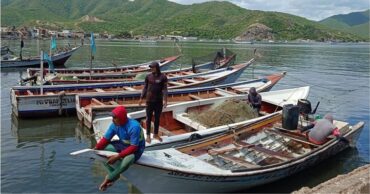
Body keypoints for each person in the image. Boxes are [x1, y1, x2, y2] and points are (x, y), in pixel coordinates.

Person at [94, 106, 145, 191]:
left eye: (115, 118)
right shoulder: (114, 125)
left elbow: (133, 147)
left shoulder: (134, 126)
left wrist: (117, 156)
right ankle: (114, 174)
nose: (112, 120)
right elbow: (105, 139)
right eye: (112, 117)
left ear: (121, 118)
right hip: (123, 144)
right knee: (100, 151)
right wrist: (95, 149)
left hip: (136, 148)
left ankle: (111, 177)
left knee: (129, 159)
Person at [139, 62, 168, 143]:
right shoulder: (148, 77)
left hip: (158, 101)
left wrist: (165, 100)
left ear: (157, 67)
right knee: (148, 118)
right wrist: (141, 98)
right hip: (149, 101)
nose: (151, 69)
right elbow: (145, 88)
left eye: (153, 67)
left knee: (157, 118)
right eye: (151, 67)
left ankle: (155, 134)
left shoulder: (163, 77)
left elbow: (165, 89)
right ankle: (148, 135)